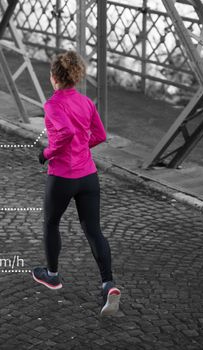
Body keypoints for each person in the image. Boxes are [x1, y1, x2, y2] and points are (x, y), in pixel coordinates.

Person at [32, 50, 121, 316]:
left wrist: (46, 153)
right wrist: (83, 146)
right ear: (75, 76)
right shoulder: (86, 102)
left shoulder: (52, 105)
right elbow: (100, 135)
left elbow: (66, 135)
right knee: (94, 230)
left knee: (51, 223)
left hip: (62, 176)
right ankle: (108, 284)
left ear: (53, 78)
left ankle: (52, 274)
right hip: (88, 176)